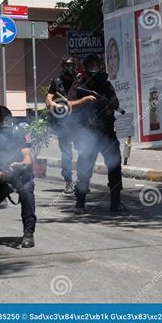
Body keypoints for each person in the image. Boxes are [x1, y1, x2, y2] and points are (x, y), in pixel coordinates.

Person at [67, 55, 123, 215]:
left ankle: (116, 203)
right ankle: (80, 203)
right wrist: (84, 101)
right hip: (88, 134)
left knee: (115, 167)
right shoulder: (78, 85)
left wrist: (107, 104)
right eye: (90, 65)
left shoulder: (106, 85)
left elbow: (116, 103)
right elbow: (69, 105)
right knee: (84, 169)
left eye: (95, 64)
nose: (93, 68)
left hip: (106, 133)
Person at [0, 106, 36, 248]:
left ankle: (28, 233)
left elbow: (28, 158)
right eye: (0, 121)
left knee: (27, 196)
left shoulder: (20, 132)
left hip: (21, 175)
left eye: (6, 120)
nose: (4, 124)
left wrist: (19, 165)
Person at [46, 56, 78, 193]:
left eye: (72, 66)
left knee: (87, 149)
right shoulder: (56, 82)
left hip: (79, 121)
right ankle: (68, 181)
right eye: (68, 66)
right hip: (63, 123)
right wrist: (56, 105)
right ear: (63, 67)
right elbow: (48, 100)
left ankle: (83, 180)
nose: (70, 69)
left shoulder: (79, 81)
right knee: (67, 153)